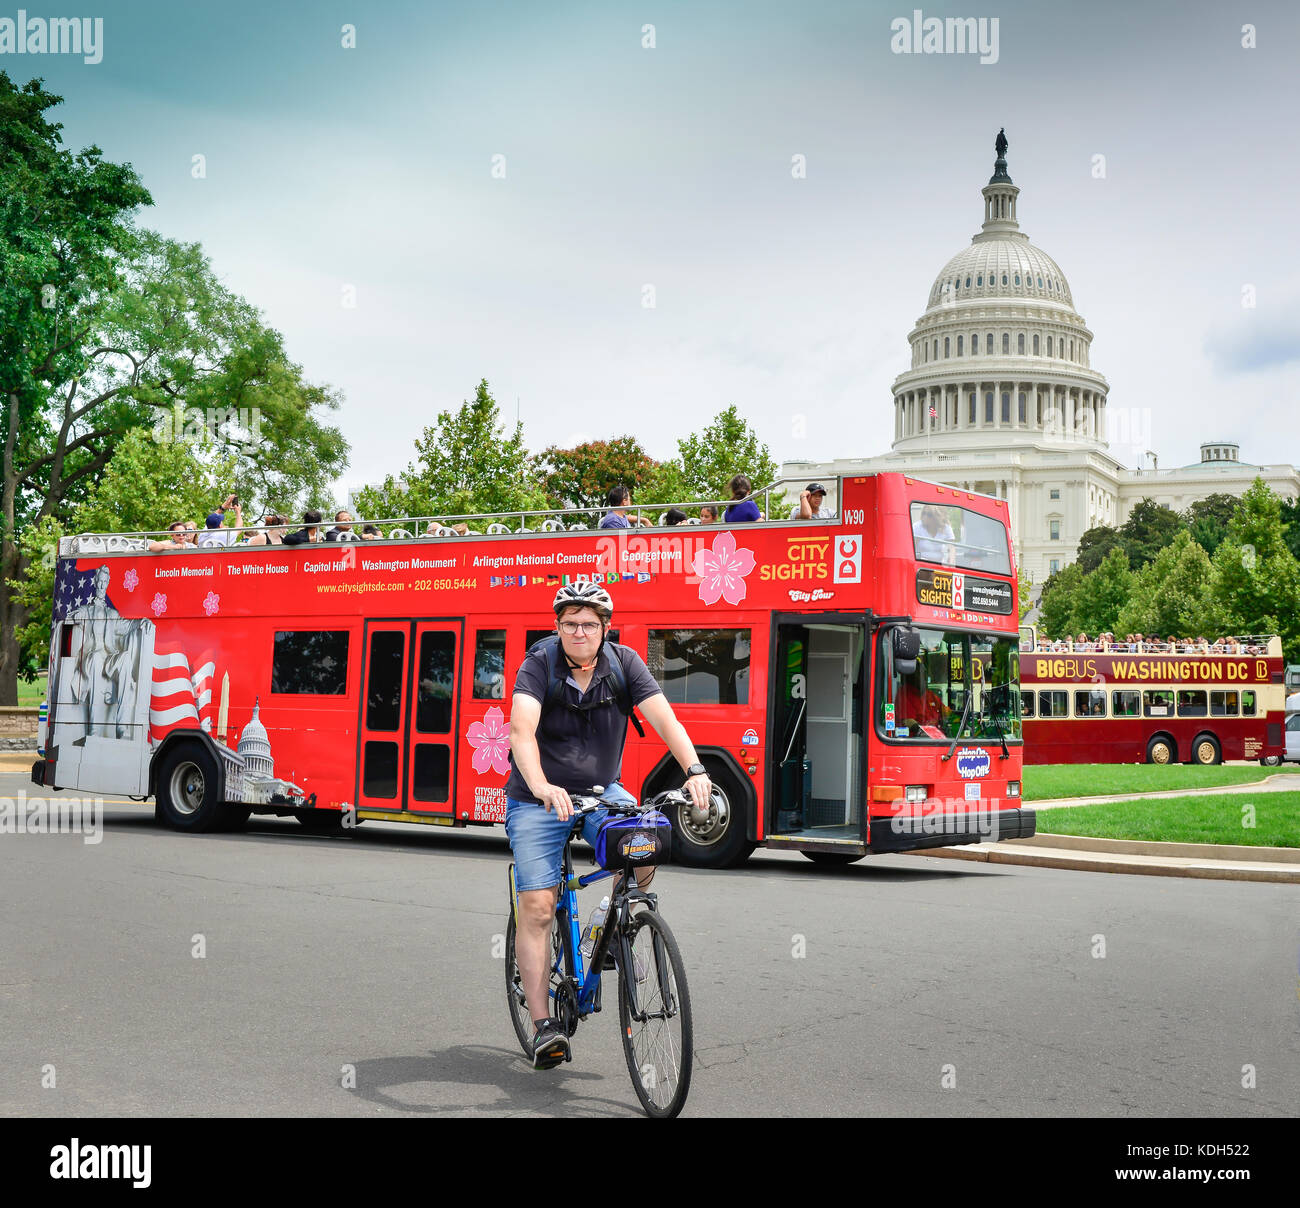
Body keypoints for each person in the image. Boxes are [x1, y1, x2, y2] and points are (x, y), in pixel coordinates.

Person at [506, 582, 713, 1070]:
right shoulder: (540, 662)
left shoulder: (625, 663)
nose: (579, 632)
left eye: (589, 624)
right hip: (539, 798)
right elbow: (521, 731)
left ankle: (617, 921)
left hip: (602, 789)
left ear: (605, 628)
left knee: (645, 842)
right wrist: (540, 786)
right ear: (558, 627)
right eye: (570, 623)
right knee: (538, 906)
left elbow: (666, 721)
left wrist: (696, 770)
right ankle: (542, 1026)